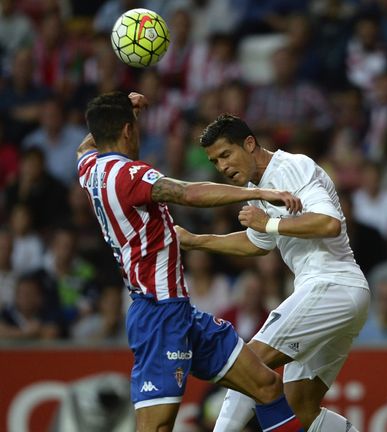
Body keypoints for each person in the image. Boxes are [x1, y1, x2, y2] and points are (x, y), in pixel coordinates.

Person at [77, 92, 304, 432]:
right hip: (157, 315)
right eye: (135, 126)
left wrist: (122, 104)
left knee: (267, 386)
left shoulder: (90, 167)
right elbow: (187, 193)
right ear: (128, 131)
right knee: (156, 427)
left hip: (180, 312)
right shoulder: (128, 174)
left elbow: (85, 145)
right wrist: (258, 192)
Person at [175, 114, 370, 432]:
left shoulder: (290, 168)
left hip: (330, 284)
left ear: (249, 144)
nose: (222, 167)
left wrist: (267, 222)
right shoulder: (260, 188)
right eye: (215, 161)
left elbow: (328, 222)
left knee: (246, 364)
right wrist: (197, 241)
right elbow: (257, 243)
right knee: (301, 408)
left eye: (226, 154)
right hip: (341, 295)